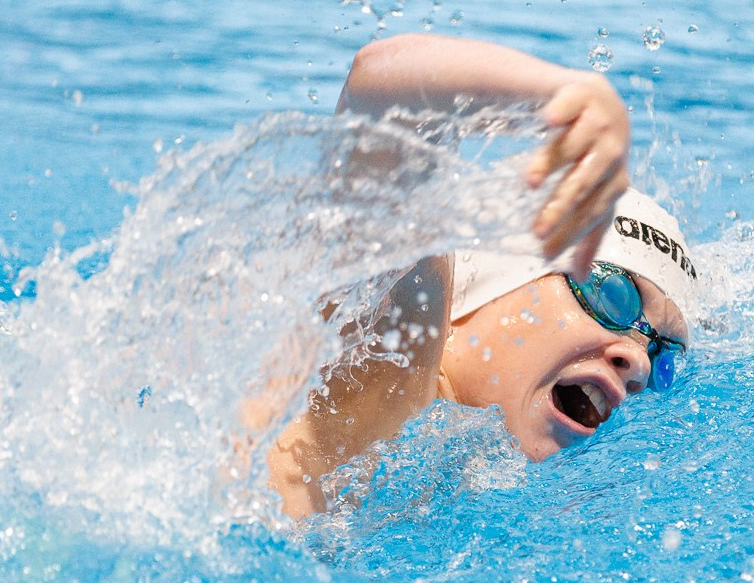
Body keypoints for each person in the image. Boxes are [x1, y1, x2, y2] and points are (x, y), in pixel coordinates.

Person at [265, 33, 699, 517]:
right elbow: (380, 94)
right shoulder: (390, 370)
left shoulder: (444, 472)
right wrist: (561, 97)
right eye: (612, 296)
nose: (638, 363)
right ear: (479, 291)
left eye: (662, 353)